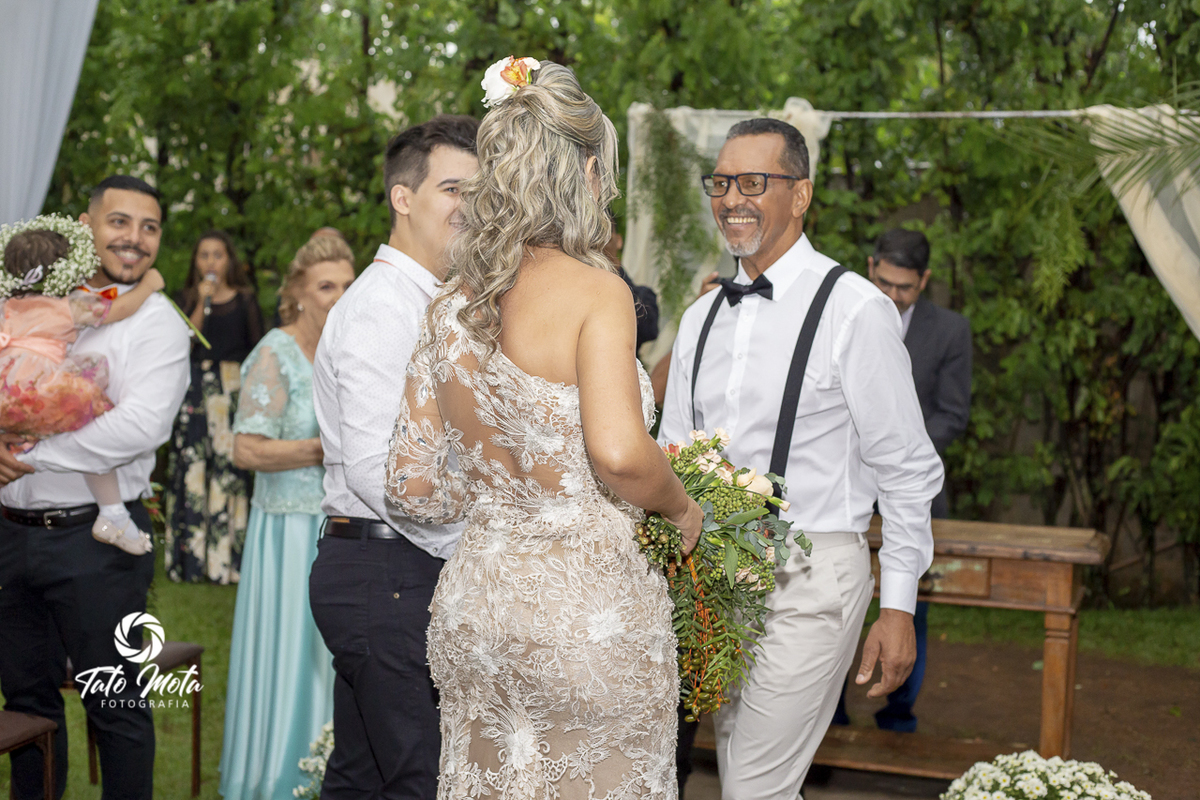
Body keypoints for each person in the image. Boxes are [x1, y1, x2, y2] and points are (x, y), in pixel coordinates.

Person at [384, 57, 702, 800]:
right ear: (586, 171)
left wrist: (503, 487)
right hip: (585, 615)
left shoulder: (448, 305)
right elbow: (620, 454)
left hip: (478, 608)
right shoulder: (598, 292)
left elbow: (413, 484)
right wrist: (682, 506)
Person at [658, 118, 943, 800]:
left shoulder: (855, 309)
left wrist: (898, 606)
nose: (732, 198)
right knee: (740, 765)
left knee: (753, 783)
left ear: (802, 194)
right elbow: (673, 452)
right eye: (721, 182)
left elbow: (906, 468)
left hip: (812, 579)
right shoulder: (699, 319)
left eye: (754, 182)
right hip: (714, 581)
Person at [0, 174, 190, 800]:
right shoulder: (29, 294)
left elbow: (138, 428)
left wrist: (24, 454)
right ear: (87, 227)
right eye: (119, 222)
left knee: (115, 708)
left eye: (149, 227)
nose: (134, 239)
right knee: (26, 711)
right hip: (8, 539)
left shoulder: (156, 324)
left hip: (97, 546)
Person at [309, 113, 480, 800]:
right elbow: (377, 472)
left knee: (362, 778)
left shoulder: (433, 302)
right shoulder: (385, 307)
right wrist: (470, 545)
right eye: (452, 188)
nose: (470, 207)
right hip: (390, 569)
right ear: (403, 198)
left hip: (386, 569)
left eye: (481, 190)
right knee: (425, 779)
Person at [218, 236, 356, 799]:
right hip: (288, 535)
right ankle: (277, 775)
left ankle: (334, 770)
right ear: (297, 295)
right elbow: (244, 449)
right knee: (292, 659)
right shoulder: (276, 352)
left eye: (348, 286)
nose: (340, 296)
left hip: (343, 528)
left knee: (334, 660)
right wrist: (325, 448)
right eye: (327, 286)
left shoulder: (351, 350)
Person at [829, 227, 971, 734]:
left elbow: (953, 416)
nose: (892, 295)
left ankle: (897, 711)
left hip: (914, 492)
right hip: (845, 494)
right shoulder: (841, 314)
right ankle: (833, 707)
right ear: (871, 265)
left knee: (910, 602)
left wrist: (892, 450)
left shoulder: (951, 331)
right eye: (885, 282)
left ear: (924, 281)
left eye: (905, 288)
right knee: (838, 599)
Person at [0, 218, 166, 554]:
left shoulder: (7, 307)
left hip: (5, 392)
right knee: (97, 413)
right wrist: (148, 285)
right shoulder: (63, 307)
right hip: (39, 391)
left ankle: (21, 448)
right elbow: (120, 309)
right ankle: (113, 512)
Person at [165, 229, 264, 583]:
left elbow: (257, 351)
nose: (210, 262)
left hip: (229, 394)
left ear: (229, 260)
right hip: (193, 393)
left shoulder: (245, 300)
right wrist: (199, 305)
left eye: (217, 255)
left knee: (227, 471)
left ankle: (227, 561)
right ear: (196, 261)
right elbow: (182, 345)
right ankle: (190, 560)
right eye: (204, 255)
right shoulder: (186, 299)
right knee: (192, 467)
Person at [602, 221, 660, 351]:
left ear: (618, 241)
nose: (601, 244)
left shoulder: (643, 296)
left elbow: (648, 330)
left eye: (606, 237)